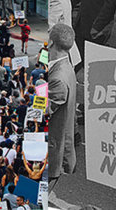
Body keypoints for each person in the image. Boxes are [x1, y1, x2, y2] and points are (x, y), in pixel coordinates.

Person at [46, 24, 76, 186]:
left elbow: (41, 112)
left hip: (52, 154)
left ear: (51, 43)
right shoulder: (65, 65)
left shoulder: (58, 79)